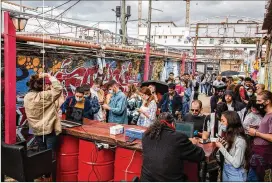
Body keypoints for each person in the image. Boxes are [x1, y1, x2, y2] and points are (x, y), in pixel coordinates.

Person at [140, 112, 205, 182]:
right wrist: (194, 144)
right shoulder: (179, 138)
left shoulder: (146, 135)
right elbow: (200, 155)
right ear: (173, 124)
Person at [24, 73, 63, 158]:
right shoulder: (46, 96)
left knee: (42, 153)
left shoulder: (27, 97)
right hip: (49, 129)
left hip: (36, 130)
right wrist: (49, 76)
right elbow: (59, 88)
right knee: (50, 154)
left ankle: (43, 171)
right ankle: (50, 171)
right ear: (42, 86)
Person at [215, 111, 250, 182]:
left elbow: (236, 164)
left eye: (223, 121)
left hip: (235, 173)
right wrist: (224, 145)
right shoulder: (230, 136)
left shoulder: (240, 140)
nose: (221, 123)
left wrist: (221, 148)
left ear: (231, 122)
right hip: (226, 168)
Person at [247, 90, 272, 181]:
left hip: (263, 153)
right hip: (258, 151)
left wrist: (256, 133)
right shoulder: (267, 114)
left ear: (267, 101)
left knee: (253, 178)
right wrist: (258, 128)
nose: (257, 103)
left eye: (259, 101)